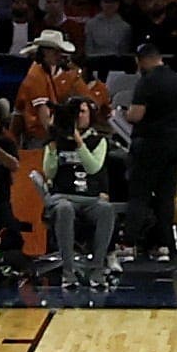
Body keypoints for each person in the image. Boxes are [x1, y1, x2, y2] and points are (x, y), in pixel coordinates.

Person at [40, 96, 118, 286]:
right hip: (63, 197)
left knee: (106, 209)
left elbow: (93, 168)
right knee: (64, 209)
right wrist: (52, 147)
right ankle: (68, 272)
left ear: (90, 115)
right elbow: (49, 171)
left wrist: (78, 142)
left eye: (83, 112)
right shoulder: (55, 140)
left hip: (90, 199)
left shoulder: (98, 141)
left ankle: (97, 269)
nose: (79, 116)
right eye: (76, 113)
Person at [123, 40, 177, 259]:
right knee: (165, 197)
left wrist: (124, 114)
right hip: (176, 145)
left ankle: (129, 244)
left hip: (150, 146)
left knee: (139, 196)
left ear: (143, 60)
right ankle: (164, 246)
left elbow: (136, 115)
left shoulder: (147, 81)